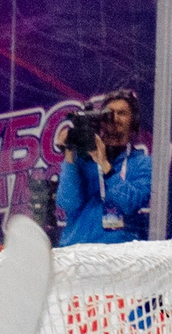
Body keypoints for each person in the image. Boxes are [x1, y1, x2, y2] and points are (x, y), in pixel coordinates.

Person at [51, 90, 154, 245]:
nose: (114, 118)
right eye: (109, 113)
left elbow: (130, 203)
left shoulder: (143, 163)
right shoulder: (82, 159)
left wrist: (105, 165)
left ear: (134, 121)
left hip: (116, 254)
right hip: (76, 250)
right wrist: (69, 156)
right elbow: (67, 203)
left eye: (122, 113)